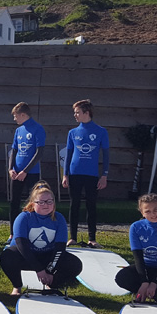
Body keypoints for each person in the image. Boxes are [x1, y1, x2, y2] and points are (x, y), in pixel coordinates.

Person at [0, 181, 82, 296]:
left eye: (49, 201)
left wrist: (49, 271)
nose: (46, 205)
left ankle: (51, 283)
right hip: (26, 256)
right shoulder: (24, 217)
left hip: (47, 255)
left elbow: (60, 248)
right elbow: (21, 245)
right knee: (7, 256)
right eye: (41, 202)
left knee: (75, 264)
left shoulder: (59, 218)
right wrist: (39, 269)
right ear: (33, 204)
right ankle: (17, 286)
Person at [62, 99, 109, 247]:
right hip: (75, 173)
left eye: (77, 112)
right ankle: (73, 237)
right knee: (74, 204)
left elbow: (106, 155)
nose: (75, 115)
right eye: (74, 113)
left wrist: (104, 175)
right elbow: (69, 154)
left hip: (92, 175)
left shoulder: (101, 131)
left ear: (86, 113)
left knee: (91, 205)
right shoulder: (72, 132)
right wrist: (65, 174)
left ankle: (92, 238)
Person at [7, 101, 46, 229]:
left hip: (31, 173)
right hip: (16, 173)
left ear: (23, 115)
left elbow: (39, 152)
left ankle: (32, 228)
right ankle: (13, 231)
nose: (14, 118)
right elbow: (14, 150)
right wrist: (11, 168)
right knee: (14, 202)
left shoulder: (38, 129)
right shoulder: (18, 130)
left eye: (15, 116)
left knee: (33, 202)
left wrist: (25, 171)